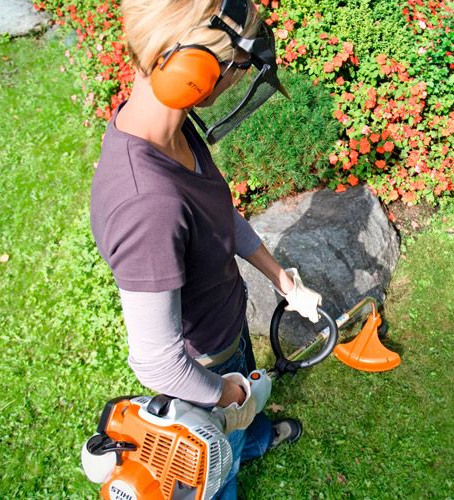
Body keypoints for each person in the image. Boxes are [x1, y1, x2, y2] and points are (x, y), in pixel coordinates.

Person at [89, 0, 321, 497]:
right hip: (204, 365)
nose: (240, 80)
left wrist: (280, 277)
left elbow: (217, 215)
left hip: (227, 326)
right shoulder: (146, 205)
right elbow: (155, 360)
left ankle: (254, 438)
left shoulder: (169, 126)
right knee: (216, 468)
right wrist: (225, 394)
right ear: (194, 71)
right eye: (239, 67)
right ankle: (232, 465)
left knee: (246, 410)